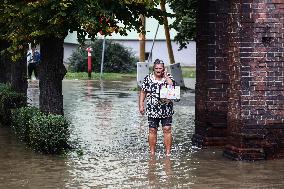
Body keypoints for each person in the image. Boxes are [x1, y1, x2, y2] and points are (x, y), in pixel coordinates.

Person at [139, 59, 174, 157]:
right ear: (153, 69)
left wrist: (166, 76)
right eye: (156, 68)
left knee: (167, 129)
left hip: (166, 109)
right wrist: (141, 104)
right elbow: (143, 91)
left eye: (160, 68)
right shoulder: (148, 78)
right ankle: (152, 153)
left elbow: (172, 87)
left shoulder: (169, 77)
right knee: (152, 130)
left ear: (163, 69)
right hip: (152, 109)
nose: (158, 70)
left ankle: (168, 153)